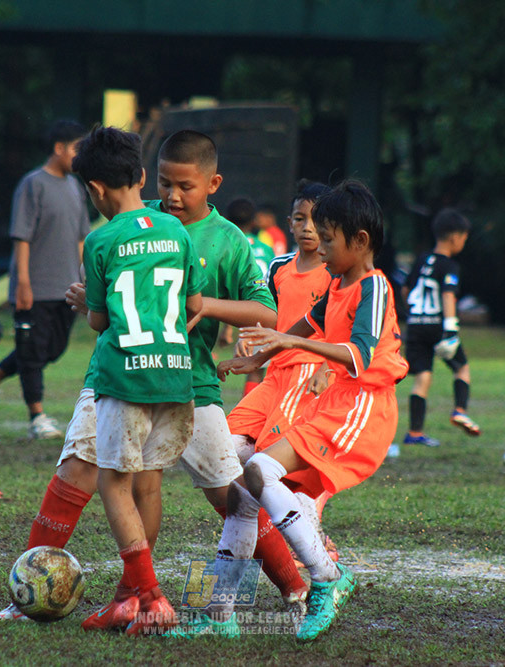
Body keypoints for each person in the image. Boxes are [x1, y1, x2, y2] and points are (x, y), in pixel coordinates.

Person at [0, 130, 305, 627]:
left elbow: (265, 311)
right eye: (164, 184)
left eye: (185, 186)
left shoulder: (228, 241)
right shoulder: (146, 217)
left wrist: (197, 309)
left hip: (192, 380)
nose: (174, 196)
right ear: (145, 179)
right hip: (118, 373)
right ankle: (31, 590)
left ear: (213, 184)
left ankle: (295, 580)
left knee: (225, 492)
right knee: (79, 467)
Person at [180, 179, 408, 641]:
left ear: (359, 241)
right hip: (335, 401)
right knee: (243, 490)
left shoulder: (374, 286)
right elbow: (311, 320)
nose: (319, 247)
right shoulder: (339, 283)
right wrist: (259, 357)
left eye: (328, 238)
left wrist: (290, 341)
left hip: (360, 407)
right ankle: (219, 613)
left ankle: (326, 576)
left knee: (261, 471)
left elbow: (358, 352)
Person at [73, 126, 204, 635]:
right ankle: (129, 598)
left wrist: (84, 300)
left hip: (125, 376)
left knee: (113, 482)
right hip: (176, 377)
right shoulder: (179, 232)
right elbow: (193, 304)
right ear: (143, 176)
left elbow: (100, 321)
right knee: (147, 484)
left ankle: (151, 597)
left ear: (96, 189)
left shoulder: (100, 239)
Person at [225, 180, 339, 564]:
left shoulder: (335, 272)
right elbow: (271, 319)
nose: (307, 228)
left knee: (268, 468)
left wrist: (324, 367)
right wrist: (252, 345)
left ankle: (315, 545)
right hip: (275, 376)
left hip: (307, 380)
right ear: (288, 223)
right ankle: (304, 515)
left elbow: (340, 331)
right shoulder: (278, 267)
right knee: (225, 448)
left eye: (314, 220)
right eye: (299, 219)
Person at [0, 120, 89, 439]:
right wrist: (22, 283)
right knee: (32, 352)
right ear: (59, 148)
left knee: (51, 349)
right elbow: (21, 237)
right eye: (77, 148)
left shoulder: (75, 186)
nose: (80, 156)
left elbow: (80, 238)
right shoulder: (33, 184)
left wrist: (84, 276)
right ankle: (37, 416)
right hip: (36, 285)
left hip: (67, 286)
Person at [399, 208, 481, 449]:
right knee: (462, 368)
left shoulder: (422, 260)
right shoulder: (450, 266)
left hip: (416, 325)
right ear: (455, 237)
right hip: (438, 326)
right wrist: (451, 329)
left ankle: (414, 432)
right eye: (464, 238)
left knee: (423, 376)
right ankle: (459, 410)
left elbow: (405, 290)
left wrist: (414, 312)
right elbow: (448, 296)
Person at [223, 197, 274, 395]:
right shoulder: (266, 248)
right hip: (267, 308)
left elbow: (230, 284)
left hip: (246, 308)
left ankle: (247, 418)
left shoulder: (230, 245)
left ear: (227, 219)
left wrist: (227, 329)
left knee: (252, 370)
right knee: (262, 369)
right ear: (254, 221)